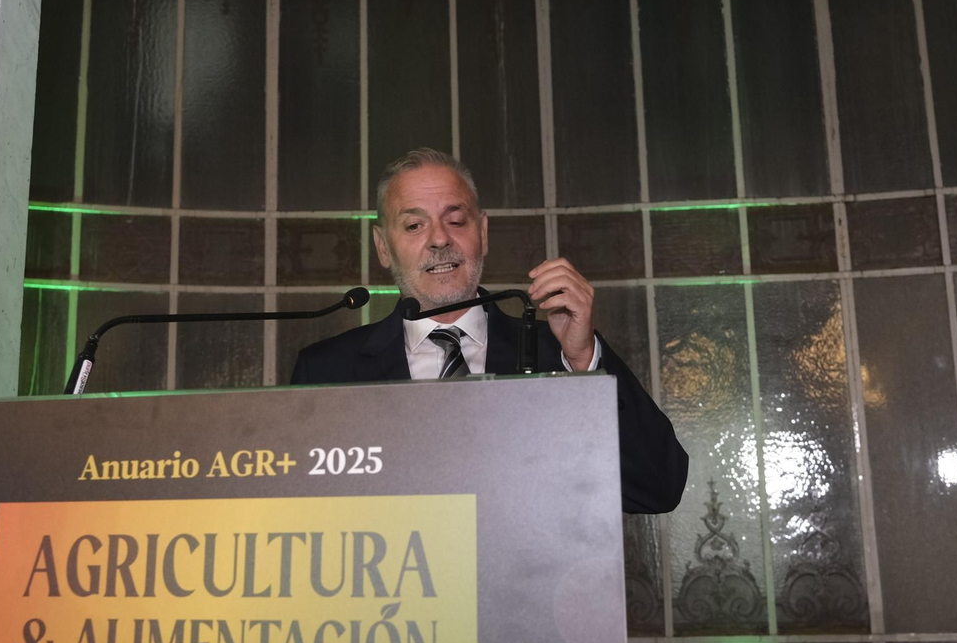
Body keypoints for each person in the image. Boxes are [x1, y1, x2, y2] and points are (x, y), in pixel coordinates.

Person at [290, 148, 688, 515]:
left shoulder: (560, 355)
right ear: (382, 246)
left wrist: (583, 361)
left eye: (456, 220)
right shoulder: (327, 373)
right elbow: (301, 520)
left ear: (482, 232)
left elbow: (658, 487)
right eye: (414, 225)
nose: (440, 239)